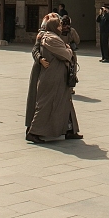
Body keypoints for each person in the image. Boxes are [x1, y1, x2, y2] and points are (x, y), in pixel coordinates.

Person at [27, 13, 83, 143]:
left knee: (65, 102)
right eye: (58, 24)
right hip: (50, 73)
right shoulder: (47, 37)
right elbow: (63, 53)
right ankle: (34, 131)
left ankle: (70, 130)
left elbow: (75, 41)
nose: (61, 27)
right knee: (45, 103)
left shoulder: (55, 36)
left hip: (60, 74)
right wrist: (40, 59)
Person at [25, 15, 55, 133]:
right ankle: (32, 127)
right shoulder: (41, 35)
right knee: (37, 99)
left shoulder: (56, 36)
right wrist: (40, 59)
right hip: (40, 71)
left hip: (55, 71)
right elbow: (35, 50)